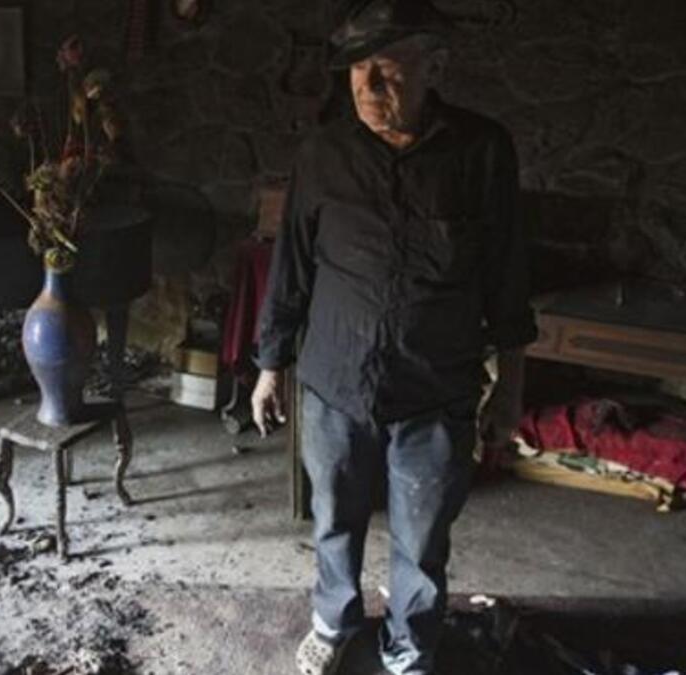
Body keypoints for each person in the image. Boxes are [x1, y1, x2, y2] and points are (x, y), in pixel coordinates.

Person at [250, 1, 538, 673]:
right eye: (357, 74)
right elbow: (291, 265)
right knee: (334, 517)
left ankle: (409, 646)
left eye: (386, 70)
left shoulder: (482, 151)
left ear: (435, 66)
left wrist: (511, 389)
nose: (369, 91)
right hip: (334, 379)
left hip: (435, 384)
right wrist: (270, 365)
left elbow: (507, 275)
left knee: (423, 534)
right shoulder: (323, 153)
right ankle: (333, 617)